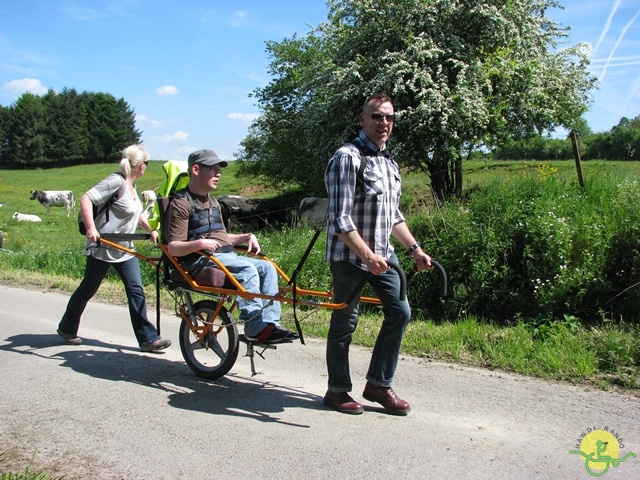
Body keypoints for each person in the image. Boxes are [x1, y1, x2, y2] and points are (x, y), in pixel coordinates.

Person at [323, 94, 433, 415]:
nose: (383, 123)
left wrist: (415, 249)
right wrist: (367, 256)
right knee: (345, 321)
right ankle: (337, 390)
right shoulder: (347, 158)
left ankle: (378, 384)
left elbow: (393, 215)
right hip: (350, 256)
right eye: (376, 116)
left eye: (388, 117)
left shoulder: (389, 162)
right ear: (362, 119)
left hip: (384, 256)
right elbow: (340, 218)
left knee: (400, 312)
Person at [163, 149, 298, 344]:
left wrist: (247, 236)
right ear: (195, 169)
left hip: (224, 256)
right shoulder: (181, 203)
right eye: (213, 169)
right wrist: (201, 243)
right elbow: (174, 247)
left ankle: (270, 324)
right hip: (199, 261)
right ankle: (254, 328)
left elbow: (221, 238)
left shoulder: (213, 202)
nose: (218, 174)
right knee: (248, 268)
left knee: (268, 267)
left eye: (219, 170)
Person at [57, 144, 171, 353]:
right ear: (141, 166)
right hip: (103, 247)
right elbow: (86, 198)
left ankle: (148, 339)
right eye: (146, 162)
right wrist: (91, 229)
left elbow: (136, 214)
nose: (147, 166)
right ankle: (67, 328)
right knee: (87, 290)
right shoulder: (115, 181)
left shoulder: (133, 187)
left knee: (136, 290)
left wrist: (151, 230)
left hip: (125, 249)